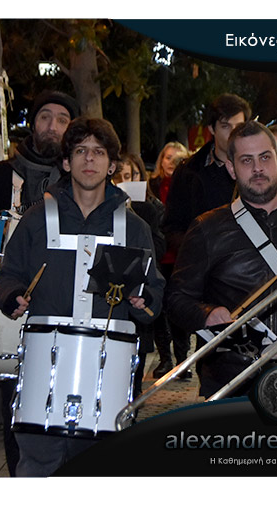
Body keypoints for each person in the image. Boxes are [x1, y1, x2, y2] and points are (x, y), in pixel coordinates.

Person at [0, 117, 165, 477]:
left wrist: (143, 301)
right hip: (46, 368)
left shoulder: (135, 227)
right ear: (66, 162)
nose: (90, 160)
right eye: (80, 151)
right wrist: (12, 297)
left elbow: (154, 292)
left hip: (109, 371)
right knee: (38, 466)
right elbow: (9, 275)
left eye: (99, 152)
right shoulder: (36, 219)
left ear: (112, 165)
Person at [165, 120, 277, 398]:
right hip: (232, 378)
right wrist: (206, 313)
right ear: (231, 168)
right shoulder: (206, 228)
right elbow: (176, 299)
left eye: (265, 157)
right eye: (246, 160)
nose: (258, 168)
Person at [0, 90, 79, 476]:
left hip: (61, 308)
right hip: (11, 309)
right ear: (33, 123)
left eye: (62, 119)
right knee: (17, 407)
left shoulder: (79, 177)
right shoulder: (0, 175)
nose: (53, 126)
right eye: (46, 116)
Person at [162, 94, 251, 258]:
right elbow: (172, 227)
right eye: (225, 126)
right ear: (211, 128)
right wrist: (198, 251)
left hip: (247, 266)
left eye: (238, 126)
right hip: (200, 267)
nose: (233, 133)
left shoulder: (256, 170)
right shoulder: (188, 172)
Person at [114, 151, 168, 393]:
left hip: (137, 307)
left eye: (132, 175)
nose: (128, 180)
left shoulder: (147, 211)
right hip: (112, 309)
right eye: (122, 176)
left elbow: (156, 250)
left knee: (132, 386)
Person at [146, 142, 193, 378]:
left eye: (177, 159)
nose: (171, 163)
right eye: (167, 157)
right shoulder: (151, 186)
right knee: (159, 307)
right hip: (158, 255)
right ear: (160, 160)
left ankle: (182, 360)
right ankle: (165, 358)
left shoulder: (187, 186)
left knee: (178, 307)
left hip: (180, 254)